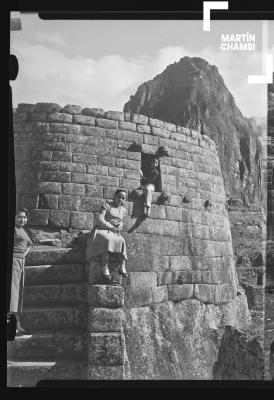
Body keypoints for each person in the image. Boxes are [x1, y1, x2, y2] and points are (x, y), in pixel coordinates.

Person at [85, 189, 128, 284]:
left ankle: (122, 267)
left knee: (122, 240)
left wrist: (120, 226)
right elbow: (99, 219)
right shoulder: (106, 206)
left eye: (123, 198)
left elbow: (121, 222)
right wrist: (111, 227)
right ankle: (105, 267)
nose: (120, 199)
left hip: (114, 231)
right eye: (119, 197)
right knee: (108, 240)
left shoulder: (123, 210)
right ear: (114, 197)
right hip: (102, 229)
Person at [10, 208, 33, 335]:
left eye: (24, 217)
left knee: (18, 293)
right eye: (19, 217)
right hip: (13, 262)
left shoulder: (23, 230)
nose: (22, 219)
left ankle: (17, 324)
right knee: (12, 294)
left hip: (20, 262)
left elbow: (30, 244)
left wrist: (25, 252)